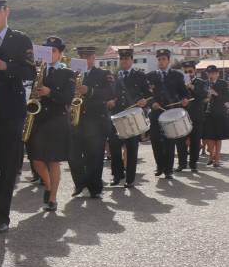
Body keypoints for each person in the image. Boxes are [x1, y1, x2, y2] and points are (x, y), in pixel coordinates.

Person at [0, 0, 35, 233]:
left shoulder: (21, 39)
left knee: (8, 164)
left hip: (12, 109)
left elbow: (30, 71)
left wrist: (4, 66)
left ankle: (2, 215)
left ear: (6, 11)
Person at [27, 36, 75, 212]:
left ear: (60, 54)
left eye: (54, 51)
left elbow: (68, 98)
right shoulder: (38, 70)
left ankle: (53, 198)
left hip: (57, 120)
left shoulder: (68, 73)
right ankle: (48, 185)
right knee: (36, 159)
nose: (50, 54)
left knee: (54, 161)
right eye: (48, 51)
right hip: (39, 119)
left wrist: (50, 92)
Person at [68, 46, 114, 199]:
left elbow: (110, 92)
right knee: (73, 155)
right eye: (82, 56)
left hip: (96, 121)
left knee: (95, 157)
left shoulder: (103, 74)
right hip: (77, 120)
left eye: (88, 57)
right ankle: (80, 183)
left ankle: (95, 188)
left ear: (94, 58)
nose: (85, 60)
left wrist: (90, 90)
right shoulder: (72, 74)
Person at [107, 48, 150, 187]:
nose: (124, 61)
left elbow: (148, 94)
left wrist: (145, 101)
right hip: (117, 116)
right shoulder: (113, 76)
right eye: (122, 59)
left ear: (131, 60)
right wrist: (110, 101)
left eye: (127, 59)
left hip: (132, 116)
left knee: (132, 148)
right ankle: (117, 175)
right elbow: (108, 94)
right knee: (114, 146)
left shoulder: (139, 75)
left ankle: (130, 179)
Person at [146, 49, 189, 179]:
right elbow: (146, 95)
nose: (161, 61)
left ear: (168, 60)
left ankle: (168, 170)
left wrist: (185, 99)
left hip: (171, 113)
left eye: (164, 59)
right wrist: (151, 103)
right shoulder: (150, 76)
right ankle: (160, 166)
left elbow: (184, 93)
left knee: (169, 142)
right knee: (155, 142)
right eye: (159, 59)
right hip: (155, 113)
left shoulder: (177, 75)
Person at [181, 61, 207, 172]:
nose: (188, 73)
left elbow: (203, 95)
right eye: (185, 71)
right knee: (181, 141)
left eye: (190, 71)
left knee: (195, 141)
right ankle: (182, 163)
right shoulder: (180, 83)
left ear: (195, 71)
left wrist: (191, 86)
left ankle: (193, 163)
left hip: (196, 116)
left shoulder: (201, 82)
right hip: (182, 116)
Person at [203, 65, 228, 168]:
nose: (211, 75)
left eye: (213, 73)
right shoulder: (205, 84)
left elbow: (226, 98)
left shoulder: (223, 83)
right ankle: (211, 153)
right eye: (209, 73)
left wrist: (216, 94)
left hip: (219, 113)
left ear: (217, 73)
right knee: (208, 136)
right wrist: (205, 98)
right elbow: (201, 97)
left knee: (218, 137)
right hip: (207, 112)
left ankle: (217, 158)